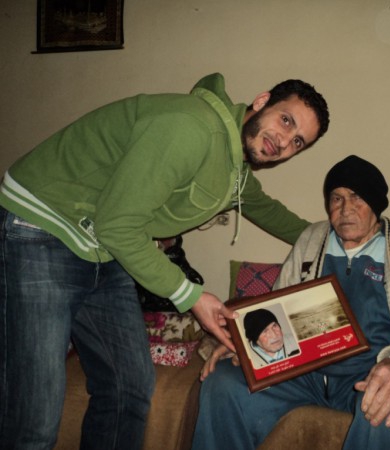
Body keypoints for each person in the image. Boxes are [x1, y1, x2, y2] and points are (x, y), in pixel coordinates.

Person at [0, 73, 329, 449]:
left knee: (129, 388)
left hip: (101, 245)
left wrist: (337, 237)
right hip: (43, 226)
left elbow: (270, 212)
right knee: (36, 418)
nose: (284, 141)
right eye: (286, 120)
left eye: (298, 141)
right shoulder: (191, 127)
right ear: (261, 101)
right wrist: (190, 295)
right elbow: (118, 226)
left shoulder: (234, 170)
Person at [195, 155, 390, 450]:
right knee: (224, 382)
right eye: (336, 198)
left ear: (375, 202)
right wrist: (244, 344)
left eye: (357, 197)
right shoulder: (311, 239)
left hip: (370, 371)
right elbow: (279, 310)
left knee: (386, 414)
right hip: (304, 373)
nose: (345, 209)